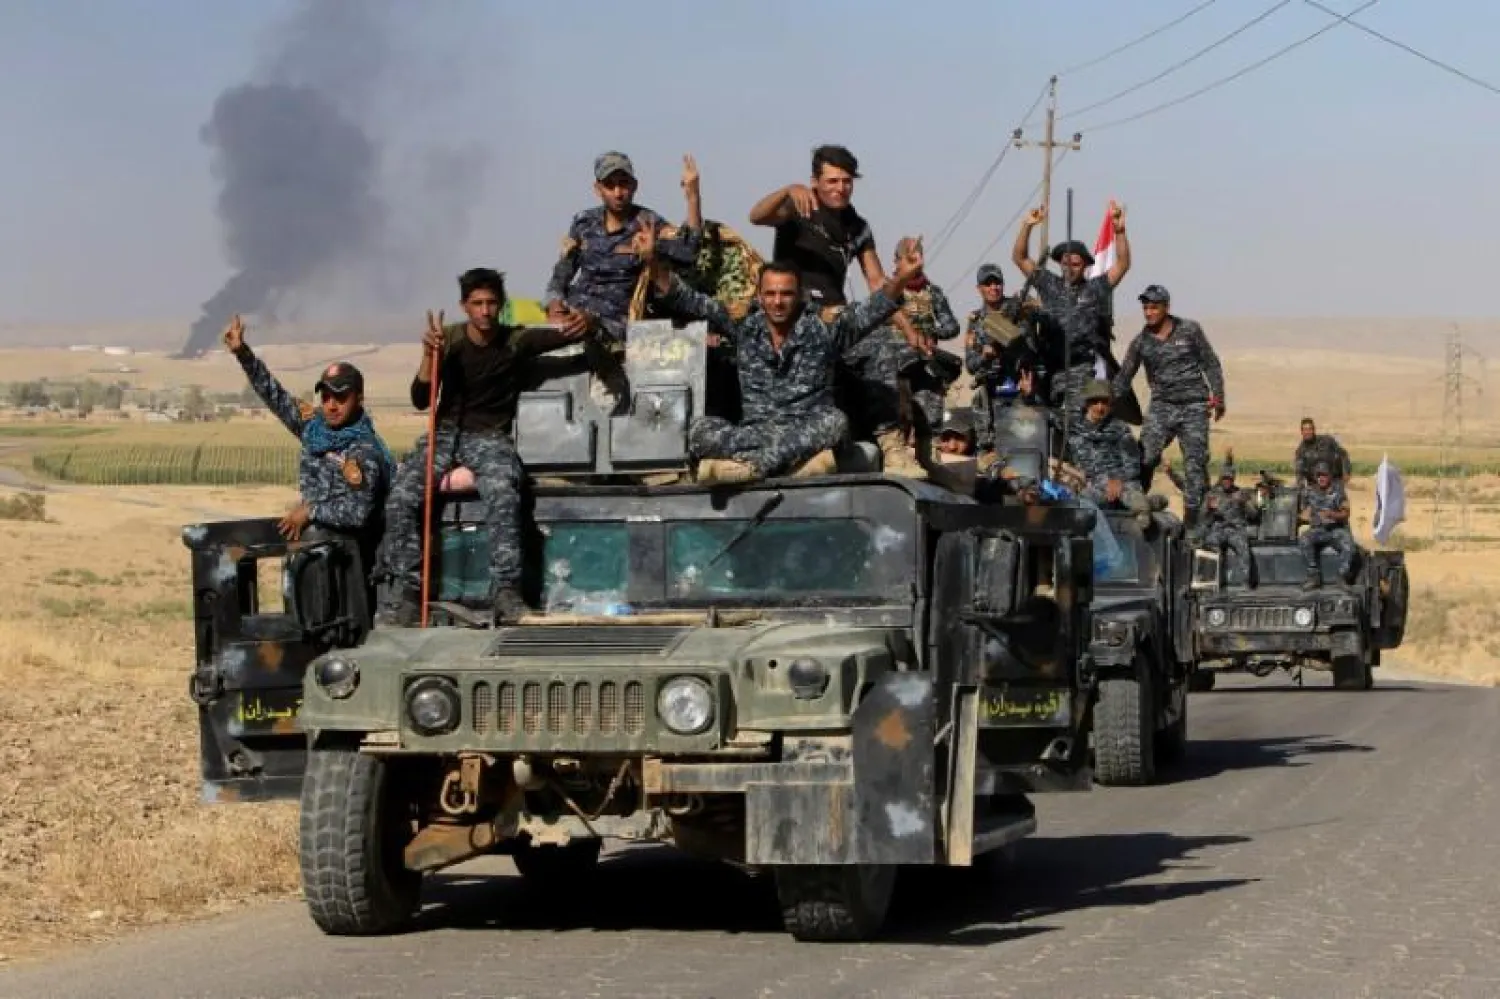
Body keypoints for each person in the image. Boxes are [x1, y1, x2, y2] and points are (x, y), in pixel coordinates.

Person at [379, 268, 585, 626]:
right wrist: (430, 355)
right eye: (477, 304)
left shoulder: (515, 341)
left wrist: (589, 322)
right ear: (464, 306)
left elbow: (564, 337)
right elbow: (419, 398)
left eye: (491, 303)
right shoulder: (450, 341)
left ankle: (506, 590)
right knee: (401, 497)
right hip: (445, 433)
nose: (485, 311)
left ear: (501, 305)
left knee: (504, 493)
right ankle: (409, 592)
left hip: (490, 438)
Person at [644, 228, 927, 483]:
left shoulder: (821, 330)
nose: (778, 302)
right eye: (770, 294)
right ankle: (793, 467)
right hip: (756, 431)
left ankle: (754, 468)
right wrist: (652, 262)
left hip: (806, 431)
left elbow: (868, 313)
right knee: (698, 430)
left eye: (786, 294)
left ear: (799, 295)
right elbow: (691, 301)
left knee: (835, 423)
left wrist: (901, 279)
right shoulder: (745, 328)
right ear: (759, 296)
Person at [747, 144, 929, 475]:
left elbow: (876, 281)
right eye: (831, 181)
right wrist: (787, 190)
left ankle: (893, 448)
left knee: (881, 348)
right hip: (794, 316)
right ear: (815, 181)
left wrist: (907, 328)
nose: (839, 188)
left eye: (846, 181)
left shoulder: (858, 227)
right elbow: (757, 215)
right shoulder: (798, 206)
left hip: (836, 316)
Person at [222, 315, 393, 547]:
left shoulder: (364, 450)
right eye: (326, 397)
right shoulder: (314, 428)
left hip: (351, 559)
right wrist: (243, 354)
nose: (332, 405)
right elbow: (276, 396)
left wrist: (311, 511)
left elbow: (357, 512)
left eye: (341, 397)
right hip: (315, 550)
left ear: (359, 399)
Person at [544, 151, 703, 345]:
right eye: (610, 185)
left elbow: (689, 251)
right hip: (574, 313)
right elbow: (562, 272)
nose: (618, 193)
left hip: (617, 323)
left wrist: (693, 197)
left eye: (623, 184)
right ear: (598, 189)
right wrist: (554, 303)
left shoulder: (648, 223)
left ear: (634, 186)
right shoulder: (583, 222)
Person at [1111, 284, 1226, 529]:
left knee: (1195, 466)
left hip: (1194, 405)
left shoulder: (1190, 330)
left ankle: (1194, 526)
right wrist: (1104, 406)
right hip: (1162, 406)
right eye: (1145, 307)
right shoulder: (1141, 342)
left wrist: (1219, 396)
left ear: (1166, 307)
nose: (1149, 312)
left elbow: (1210, 362)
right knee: (1145, 457)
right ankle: (1136, 506)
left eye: (1154, 307)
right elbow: (1123, 378)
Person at [1011, 201, 1131, 410]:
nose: (1069, 269)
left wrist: (1119, 231)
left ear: (1085, 266)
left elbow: (1122, 264)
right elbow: (1020, 258)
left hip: (1080, 370)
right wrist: (1027, 226)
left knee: (1076, 423)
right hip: (1049, 369)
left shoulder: (1095, 288)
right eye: (1065, 263)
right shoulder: (1048, 284)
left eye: (1075, 264)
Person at [1068, 380, 1150, 527]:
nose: (1100, 407)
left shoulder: (1120, 429)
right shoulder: (1073, 426)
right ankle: (1148, 503)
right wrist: (1028, 396)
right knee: (1079, 502)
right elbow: (1044, 416)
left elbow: (1132, 465)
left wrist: (1117, 480)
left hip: (1122, 484)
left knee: (1131, 496)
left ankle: (1141, 508)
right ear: (1086, 403)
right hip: (1092, 485)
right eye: (1095, 402)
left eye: (1104, 402)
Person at [1199, 454, 1260, 588]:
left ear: (1233, 480)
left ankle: (1245, 583)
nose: (1227, 481)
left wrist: (1245, 503)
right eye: (1225, 479)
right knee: (1211, 543)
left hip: (1235, 530)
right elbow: (1202, 517)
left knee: (1243, 547)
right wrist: (1209, 508)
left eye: (1229, 479)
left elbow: (1254, 515)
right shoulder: (1212, 494)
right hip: (1218, 529)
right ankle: (1213, 582)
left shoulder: (1241, 493)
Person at [1298, 461, 1355, 588]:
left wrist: (1332, 514)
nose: (1321, 478)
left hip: (1336, 530)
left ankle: (1342, 576)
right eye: (1318, 475)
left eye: (1324, 475)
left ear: (1329, 476)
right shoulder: (1310, 492)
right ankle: (1314, 576)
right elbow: (1304, 513)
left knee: (1349, 545)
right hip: (1319, 531)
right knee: (1304, 538)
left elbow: (1346, 513)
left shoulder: (1338, 491)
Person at [1294, 417, 1352, 486]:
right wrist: (1301, 484)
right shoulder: (1301, 452)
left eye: (1310, 429)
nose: (1308, 432)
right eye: (1305, 429)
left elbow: (1343, 455)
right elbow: (1299, 472)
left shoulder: (1327, 441)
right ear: (1301, 432)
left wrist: (1346, 472)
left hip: (1334, 481)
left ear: (1314, 430)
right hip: (1316, 486)